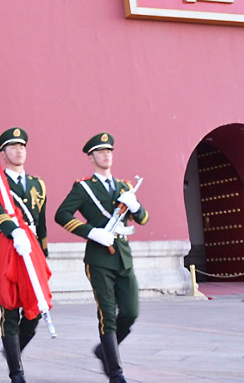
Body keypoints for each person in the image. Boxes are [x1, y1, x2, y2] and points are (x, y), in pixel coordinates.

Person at [55, 132, 149, 383]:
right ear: (91, 157)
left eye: (109, 151)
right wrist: (91, 232)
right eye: (100, 152)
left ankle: (103, 350)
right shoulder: (84, 187)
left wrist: (136, 206)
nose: (106, 155)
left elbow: (144, 219)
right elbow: (62, 215)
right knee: (107, 315)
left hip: (124, 258)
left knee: (130, 312)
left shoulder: (125, 187)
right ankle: (116, 372)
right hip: (98, 259)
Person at [0, 128, 48, 383]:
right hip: (7, 248)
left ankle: (13, 350)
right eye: (12, 147)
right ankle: (16, 373)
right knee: (9, 309)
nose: (18, 150)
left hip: (32, 250)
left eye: (21, 146)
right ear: (3, 154)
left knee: (36, 310)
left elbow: (41, 224)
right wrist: (14, 230)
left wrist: (44, 256)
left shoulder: (37, 184)